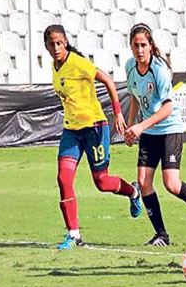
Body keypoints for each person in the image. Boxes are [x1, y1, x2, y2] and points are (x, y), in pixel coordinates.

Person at [44, 24, 143, 250]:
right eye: (52, 44)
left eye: (60, 42)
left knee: (101, 181)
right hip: (71, 131)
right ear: (47, 47)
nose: (57, 47)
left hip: (95, 127)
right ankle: (74, 235)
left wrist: (117, 113)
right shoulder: (54, 66)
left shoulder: (78, 64)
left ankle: (133, 191)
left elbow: (108, 80)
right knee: (63, 179)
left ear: (66, 42)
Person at [124, 23, 186, 246]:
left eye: (143, 45)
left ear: (150, 45)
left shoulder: (159, 70)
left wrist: (140, 127)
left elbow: (167, 109)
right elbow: (136, 96)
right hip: (148, 131)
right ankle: (162, 235)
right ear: (130, 47)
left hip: (170, 130)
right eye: (135, 45)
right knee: (143, 182)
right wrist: (130, 126)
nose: (139, 50)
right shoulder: (130, 67)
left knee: (171, 184)